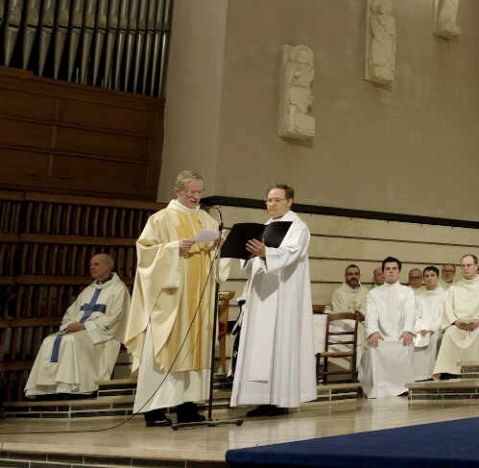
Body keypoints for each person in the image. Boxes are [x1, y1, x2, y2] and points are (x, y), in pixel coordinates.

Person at [125, 170, 223, 427]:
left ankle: (187, 406)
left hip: (197, 299)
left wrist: (215, 248)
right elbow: (145, 253)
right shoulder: (160, 219)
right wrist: (171, 248)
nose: (195, 196)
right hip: (170, 298)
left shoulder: (207, 220)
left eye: (199, 192)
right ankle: (154, 408)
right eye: (191, 192)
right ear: (177, 191)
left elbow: (215, 264)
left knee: (195, 347)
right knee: (164, 346)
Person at [229, 184, 316, 417]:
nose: (272, 204)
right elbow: (251, 264)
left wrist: (266, 253)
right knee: (260, 345)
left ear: (290, 202)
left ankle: (280, 399)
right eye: (269, 200)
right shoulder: (264, 227)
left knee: (279, 343)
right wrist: (245, 253)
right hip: (260, 297)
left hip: (283, 297)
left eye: (277, 200)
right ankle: (262, 398)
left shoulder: (298, 227)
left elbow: (291, 254)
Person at [25, 253, 130, 398]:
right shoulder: (88, 290)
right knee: (49, 340)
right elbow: (71, 313)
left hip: (101, 335)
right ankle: (47, 389)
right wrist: (70, 325)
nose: (92, 267)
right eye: (91, 265)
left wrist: (85, 327)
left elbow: (117, 317)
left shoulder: (119, 289)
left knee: (71, 341)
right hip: (80, 331)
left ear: (108, 266)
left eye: (96, 264)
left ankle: (73, 388)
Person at [360, 257, 418, 398]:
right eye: (388, 269)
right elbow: (371, 316)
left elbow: (411, 313)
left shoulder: (407, 292)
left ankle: (403, 387)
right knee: (375, 347)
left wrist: (408, 330)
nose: (391, 272)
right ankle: (379, 388)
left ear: (399, 272)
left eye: (394, 269)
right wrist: (373, 332)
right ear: (383, 272)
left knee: (406, 345)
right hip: (381, 336)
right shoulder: (373, 294)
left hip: (402, 335)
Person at [432, 254, 479, 377]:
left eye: (469, 265)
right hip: (459, 325)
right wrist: (455, 321)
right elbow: (448, 308)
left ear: (476, 267)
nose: (465, 268)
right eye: (463, 266)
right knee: (450, 333)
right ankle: (449, 373)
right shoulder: (454, 288)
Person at [411, 266, 446, 381]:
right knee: (413, 338)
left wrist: (432, 329)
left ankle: (432, 373)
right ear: (423, 279)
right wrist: (420, 328)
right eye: (426, 276)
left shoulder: (444, 295)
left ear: (437, 277)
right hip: (421, 329)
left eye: (432, 275)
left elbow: (443, 315)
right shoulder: (418, 296)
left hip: (438, 329)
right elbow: (416, 315)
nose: (429, 278)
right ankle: (416, 375)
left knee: (434, 338)